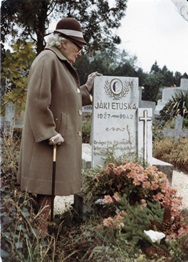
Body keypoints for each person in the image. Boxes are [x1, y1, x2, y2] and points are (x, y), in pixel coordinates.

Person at [17, 17, 100, 234]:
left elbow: (67, 97)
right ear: (63, 41)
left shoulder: (60, 63)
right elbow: (37, 100)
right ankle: (40, 233)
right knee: (44, 187)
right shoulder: (48, 59)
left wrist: (87, 89)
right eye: (77, 45)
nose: (80, 51)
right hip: (48, 141)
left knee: (49, 188)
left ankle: (42, 229)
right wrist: (48, 131)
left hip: (55, 140)